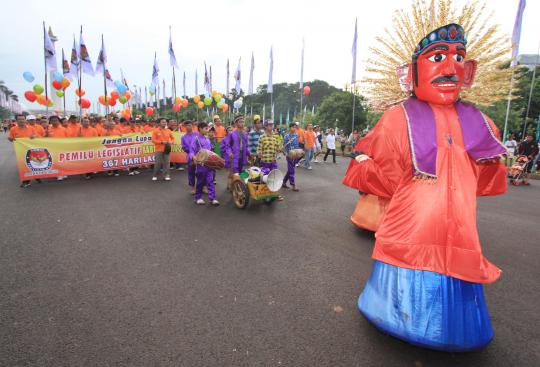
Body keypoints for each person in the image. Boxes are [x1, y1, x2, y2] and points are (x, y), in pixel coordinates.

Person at [343, 23, 507, 351]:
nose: (450, 67)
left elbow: (485, 183)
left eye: (459, 57)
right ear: (414, 71)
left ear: (469, 70)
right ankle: (396, 315)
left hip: (459, 225)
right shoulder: (396, 118)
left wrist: (494, 164)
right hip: (412, 224)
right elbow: (386, 180)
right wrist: (362, 165)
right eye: (437, 57)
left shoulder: (483, 123)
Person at [190, 122, 219, 206]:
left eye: (207, 128)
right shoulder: (196, 139)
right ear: (200, 129)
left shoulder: (207, 139)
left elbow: (210, 151)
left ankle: (212, 198)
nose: (207, 130)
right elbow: (191, 150)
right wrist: (193, 157)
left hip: (209, 164)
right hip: (200, 164)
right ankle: (198, 198)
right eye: (206, 128)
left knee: (210, 181)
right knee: (200, 181)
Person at [8, 114, 38, 187]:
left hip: (31, 150)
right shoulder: (13, 129)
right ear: (16, 120)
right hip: (20, 151)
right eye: (19, 119)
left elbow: (36, 136)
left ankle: (36, 176)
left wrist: (34, 137)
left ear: (25, 120)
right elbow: (10, 138)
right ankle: (26, 181)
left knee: (34, 163)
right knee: (24, 165)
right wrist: (13, 139)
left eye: (22, 119)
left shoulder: (31, 128)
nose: (21, 121)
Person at [221, 115, 249, 190]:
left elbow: (246, 145)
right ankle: (236, 188)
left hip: (242, 156)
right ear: (236, 123)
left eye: (243, 122)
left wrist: (249, 154)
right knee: (235, 172)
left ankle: (237, 186)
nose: (242, 124)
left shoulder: (245, 134)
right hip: (234, 157)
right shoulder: (231, 134)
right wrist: (229, 152)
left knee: (240, 172)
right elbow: (227, 145)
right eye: (240, 122)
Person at [282, 123, 300, 191]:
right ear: (290, 128)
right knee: (292, 170)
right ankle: (293, 185)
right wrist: (286, 153)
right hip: (289, 155)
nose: (294, 128)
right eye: (293, 127)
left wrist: (298, 153)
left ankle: (284, 182)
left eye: (295, 127)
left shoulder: (296, 135)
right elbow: (284, 146)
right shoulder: (286, 136)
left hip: (295, 155)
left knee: (290, 170)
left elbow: (297, 145)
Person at [181, 121, 198, 194]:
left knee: (202, 172)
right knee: (191, 172)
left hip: (199, 156)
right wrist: (191, 152)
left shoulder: (197, 134)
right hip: (190, 157)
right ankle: (193, 188)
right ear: (185, 127)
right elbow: (184, 147)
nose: (188, 127)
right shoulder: (183, 137)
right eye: (187, 126)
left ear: (193, 126)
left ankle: (203, 186)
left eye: (190, 125)